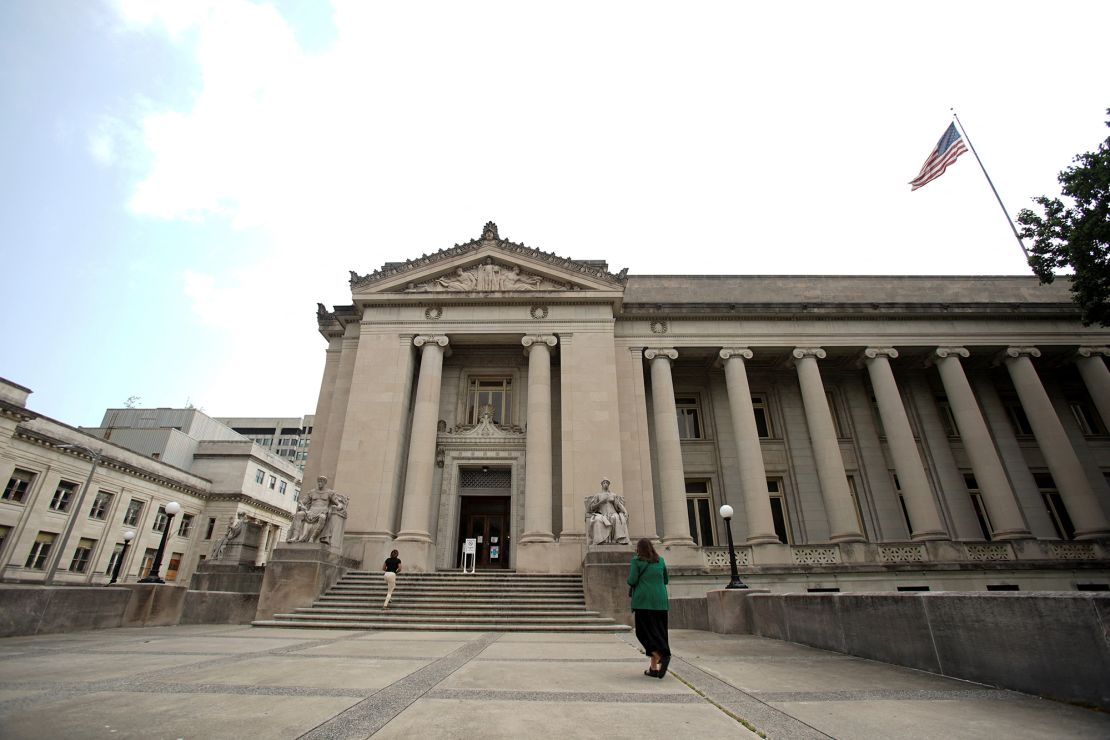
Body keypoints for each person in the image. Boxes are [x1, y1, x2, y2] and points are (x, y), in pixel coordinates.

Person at [627, 538, 670, 678]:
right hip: (661, 602)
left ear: (639, 549)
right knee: (659, 633)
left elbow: (632, 580)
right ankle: (653, 669)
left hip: (644, 602)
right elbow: (666, 580)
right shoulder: (660, 560)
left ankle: (662, 656)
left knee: (643, 633)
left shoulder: (637, 561)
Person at [585, 478, 630, 545]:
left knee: (614, 518)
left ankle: (616, 539)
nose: (605, 484)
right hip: (602, 514)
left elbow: (619, 505)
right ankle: (602, 540)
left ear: (608, 485)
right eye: (604, 483)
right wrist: (601, 502)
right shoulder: (598, 495)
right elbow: (592, 507)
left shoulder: (613, 495)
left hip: (613, 513)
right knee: (597, 520)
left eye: (607, 483)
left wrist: (625, 511)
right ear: (602, 485)